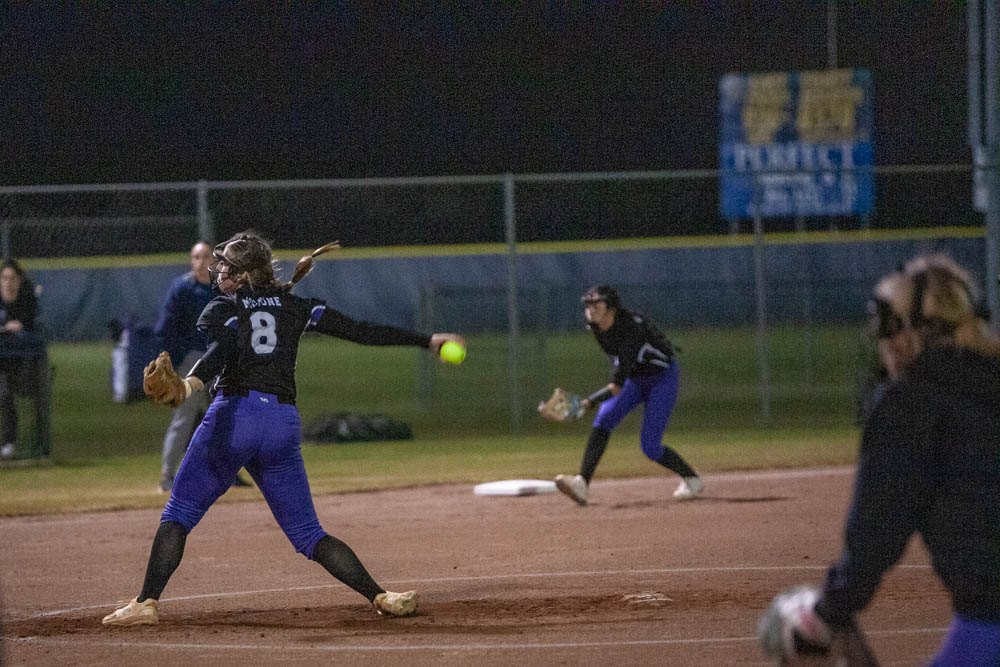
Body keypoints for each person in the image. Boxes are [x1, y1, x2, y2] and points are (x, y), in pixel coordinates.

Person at [102, 231, 465, 625]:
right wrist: (427, 340)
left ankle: (146, 603)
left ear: (243, 275)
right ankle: (381, 595)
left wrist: (189, 385)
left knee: (179, 512)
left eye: (227, 266)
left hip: (235, 418)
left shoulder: (224, 306)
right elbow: (361, 330)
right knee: (309, 534)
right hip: (281, 424)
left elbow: (222, 349)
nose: (219, 271)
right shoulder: (297, 306)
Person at [758, 254, 1000, 665]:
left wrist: (828, 612)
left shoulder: (912, 403)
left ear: (906, 333)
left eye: (884, 325)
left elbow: (877, 529)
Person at [553, 284, 702, 506]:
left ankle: (692, 479)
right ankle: (581, 484)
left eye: (596, 304)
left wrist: (587, 402)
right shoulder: (596, 325)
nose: (590, 309)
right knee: (604, 419)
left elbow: (616, 386)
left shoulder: (631, 329)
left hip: (661, 379)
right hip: (635, 378)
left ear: (611, 307)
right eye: (588, 305)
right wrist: (590, 403)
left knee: (650, 447)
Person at [154, 241, 250, 492]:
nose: (200, 261)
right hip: (192, 360)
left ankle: (228, 472)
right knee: (183, 418)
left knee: (225, 416)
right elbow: (165, 328)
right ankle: (167, 476)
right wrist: (171, 362)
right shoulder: (183, 288)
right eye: (196, 257)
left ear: (214, 261)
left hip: (222, 359)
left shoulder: (222, 288)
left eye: (205, 256)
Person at [0, 259, 39, 460]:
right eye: (4, 278)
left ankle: (9, 442)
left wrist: (19, 327)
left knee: (5, 393)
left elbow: (31, 330)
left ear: (19, 280)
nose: (8, 283)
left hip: (18, 362)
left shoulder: (26, 301)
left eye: (12, 278)